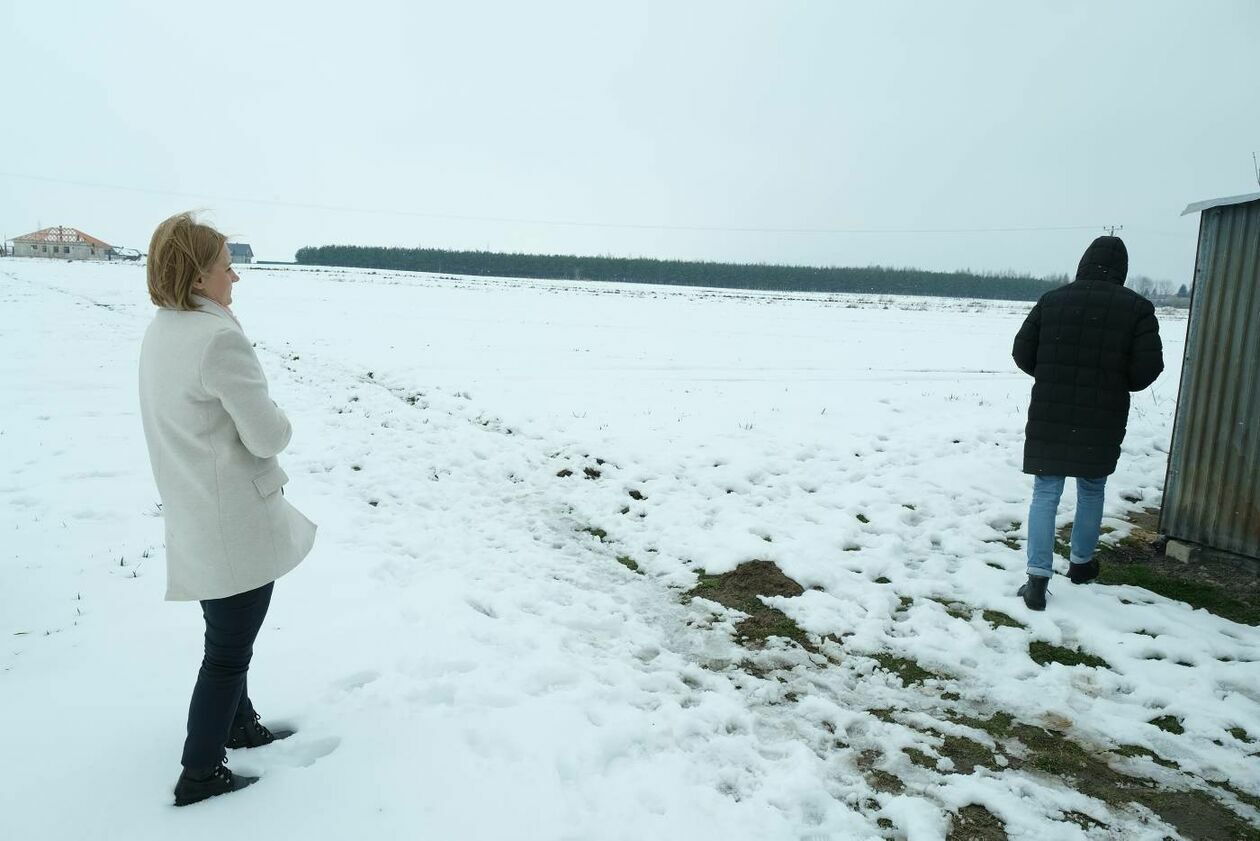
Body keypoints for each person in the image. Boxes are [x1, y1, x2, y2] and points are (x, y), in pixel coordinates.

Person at [138, 212, 317, 805]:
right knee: (227, 653)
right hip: (232, 522)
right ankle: (200, 774)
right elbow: (267, 436)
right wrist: (283, 416)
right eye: (225, 267)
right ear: (197, 275)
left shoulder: (165, 329)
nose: (235, 278)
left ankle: (240, 727)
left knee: (227, 636)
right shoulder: (217, 338)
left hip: (196, 512)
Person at [1011, 235, 1163, 610]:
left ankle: (1036, 580)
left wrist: (1051, 376)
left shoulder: (1052, 300)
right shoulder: (1137, 308)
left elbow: (1021, 351)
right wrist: (1114, 383)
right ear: (1121, 270)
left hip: (1051, 412)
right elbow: (1147, 369)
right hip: (1103, 416)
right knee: (1092, 489)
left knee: (1045, 493)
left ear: (1083, 262)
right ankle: (1080, 565)